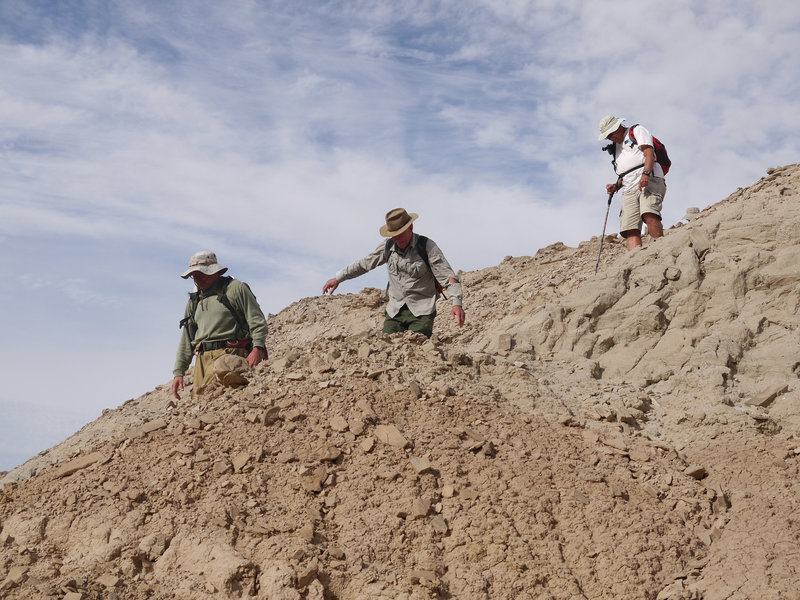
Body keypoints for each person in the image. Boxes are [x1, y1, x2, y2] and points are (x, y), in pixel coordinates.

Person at [322, 208, 465, 337]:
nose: (398, 239)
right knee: (387, 348)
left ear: (411, 227)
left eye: (401, 234)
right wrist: (338, 278)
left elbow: (448, 277)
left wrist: (456, 303)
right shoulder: (387, 246)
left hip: (422, 311)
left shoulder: (427, 246)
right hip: (395, 310)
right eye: (394, 235)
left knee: (416, 351)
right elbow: (364, 264)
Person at [172, 251, 268, 400]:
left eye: (202, 275)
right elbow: (187, 338)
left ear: (214, 272)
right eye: (195, 276)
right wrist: (179, 372)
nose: (198, 280)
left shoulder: (235, 289)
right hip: (201, 361)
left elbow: (256, 320)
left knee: (217, 399)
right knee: (199, 402)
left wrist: (257, 349)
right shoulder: (194, 301)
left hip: (229, 356)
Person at [599, 115, 667, 250]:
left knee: (649, 213)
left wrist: (646, 174)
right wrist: (616, 186)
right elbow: (624, 173)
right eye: (607, 136)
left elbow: (649, 153)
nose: (610, 138)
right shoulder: (615, 148)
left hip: (649, 178)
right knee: (630, 227)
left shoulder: (636, 131)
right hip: (629, 188)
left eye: (611, 134)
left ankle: (660, 250)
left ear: (618, 126)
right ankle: (635, 259)